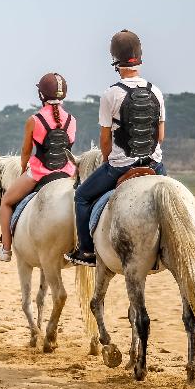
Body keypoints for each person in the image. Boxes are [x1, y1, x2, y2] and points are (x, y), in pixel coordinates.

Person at [65, 30, 166, 266]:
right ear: (139, 58)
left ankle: (87, 252)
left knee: (81, 197)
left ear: (114, 61)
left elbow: (105, 141)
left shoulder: (111, 93)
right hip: (155, 164)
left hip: (121, 166)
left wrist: (112, 160)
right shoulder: (156, 91)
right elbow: (160, 136)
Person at [0, 73, 77, 262]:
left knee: (5, 201)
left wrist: (23, 169)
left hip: (40, 172)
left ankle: (5, 249)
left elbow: (26, 151)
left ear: (41, 95)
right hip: (68, 173)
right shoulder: (72, 119)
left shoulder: (34, 120)